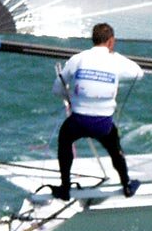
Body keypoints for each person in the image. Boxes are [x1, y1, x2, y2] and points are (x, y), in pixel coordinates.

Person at [51, 23, 144, 201]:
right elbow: (138, 73)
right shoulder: (115, 60)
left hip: (78, 121)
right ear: (111, 41)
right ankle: (126, 185)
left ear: (93, 39)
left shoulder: (77, 58)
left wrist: (69, 97)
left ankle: (65, 189)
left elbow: (57, 89)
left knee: (64, 139)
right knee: (115, 149)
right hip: (103, 125)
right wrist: (114, 58)